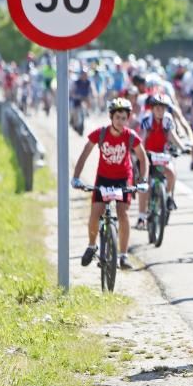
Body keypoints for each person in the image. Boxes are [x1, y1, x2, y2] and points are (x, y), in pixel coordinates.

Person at [71, 98, 150, 271]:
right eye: (117, 117)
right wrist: (76, 177)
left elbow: (143, 159)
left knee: (123, 214)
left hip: (123, 179)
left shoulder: (130, 136)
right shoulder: (100, 134)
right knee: (96, 212)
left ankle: (123, 255)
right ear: (111, 117)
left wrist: (143, 180)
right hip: (103, 179)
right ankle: (92, 246)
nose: (121, 122)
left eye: (124, 118)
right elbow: (84, 154)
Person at [135, 94, 186, 229]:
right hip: (148, 154)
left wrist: (183, 148)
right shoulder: (147, 120)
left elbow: (172, 136)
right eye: (157, 108)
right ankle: (141, 217)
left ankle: (168, 197)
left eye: (162, 108)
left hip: (162, 154)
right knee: (144, 185)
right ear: (152, 109)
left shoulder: (168, 120)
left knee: (171, 172)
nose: (160, 111)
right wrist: (140, 153)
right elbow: (142, 137)